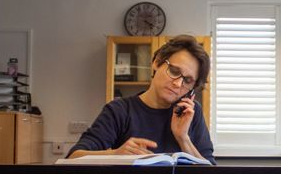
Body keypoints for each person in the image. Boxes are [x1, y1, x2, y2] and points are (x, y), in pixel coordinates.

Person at [67, 34, 215, 164]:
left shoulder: (190, 112)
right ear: (157, 63)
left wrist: (183, 138)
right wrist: (116, 154)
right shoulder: (120, 110)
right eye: (174, 71)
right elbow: (73, 157)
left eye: (188, 81)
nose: (177, 83)